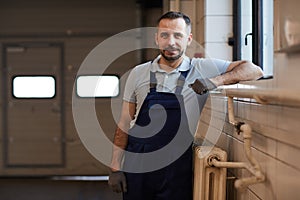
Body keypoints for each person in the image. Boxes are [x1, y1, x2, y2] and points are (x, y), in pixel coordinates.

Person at [108, 11, 263, 200]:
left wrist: (215, 81)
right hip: (138, 163)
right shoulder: (139, 73)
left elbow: (255, 70)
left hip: (176, 167)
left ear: (188, 39)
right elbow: (124, 123)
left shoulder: (201, 68)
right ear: (156, 38)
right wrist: (115, 168)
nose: (171, 42)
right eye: (164, 35)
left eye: (178, 35)